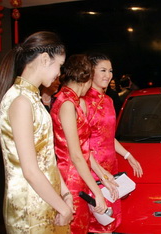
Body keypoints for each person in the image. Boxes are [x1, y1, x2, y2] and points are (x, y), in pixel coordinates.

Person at [0, 31, 73, 233]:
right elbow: (30, 170)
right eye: (59, 65)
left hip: (47, 200)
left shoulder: (31, 97)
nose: (59, 73)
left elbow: (47, 157)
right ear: (45, 59)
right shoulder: (20, 101)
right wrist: (62, 206)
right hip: (29, 209)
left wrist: (65, 194)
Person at [51, 54, 118, 234]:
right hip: (72, 178)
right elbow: (76, 155)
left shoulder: (71, 101)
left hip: (81, 176)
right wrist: (97, 192)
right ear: (86, 78)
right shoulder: (66, 103)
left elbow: (84, 149)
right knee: (75, 228)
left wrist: (103, 175)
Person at [83, 53, 143, 234]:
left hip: (111, 167)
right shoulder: (83, 102)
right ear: (90, 72)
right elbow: (80, 144)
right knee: (99, 220)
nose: (108, 75)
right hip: (93, 169)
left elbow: (108, 137)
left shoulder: (109, 100)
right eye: (102, 70)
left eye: (110, 70)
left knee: (110, 220)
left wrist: (128, 155)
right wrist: (100, 174)